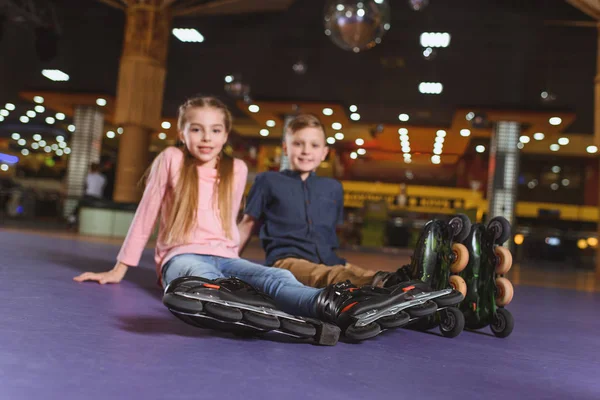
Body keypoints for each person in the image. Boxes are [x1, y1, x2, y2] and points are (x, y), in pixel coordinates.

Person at [73, 97, 418, 342]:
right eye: (196, 129)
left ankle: (334, 306)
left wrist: (239, 264)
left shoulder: (236, 169)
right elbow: (146, 212)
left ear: (225, 135)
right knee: (203, 278)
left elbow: (229, 228)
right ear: (182, 133)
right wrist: (120, 268)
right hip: (183, 255)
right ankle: (240, 305)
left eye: (215, 130)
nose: (206, 138)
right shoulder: (171, 160)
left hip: (227, 256)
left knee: (277, 276)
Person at [238, 113, 408, 289]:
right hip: (287, 262)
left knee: (366, 274)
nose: (306, 151)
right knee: (338, 277)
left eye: (314, 145)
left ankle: (407, 284)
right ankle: (385, 285)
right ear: (285, 148)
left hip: (330, 261)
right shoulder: (267, 181)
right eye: (298, 144)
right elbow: (247, 224)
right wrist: (226, 263)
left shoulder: (333, 188)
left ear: (324, 152)